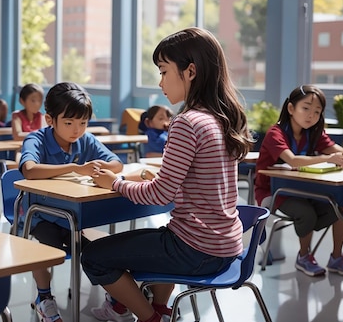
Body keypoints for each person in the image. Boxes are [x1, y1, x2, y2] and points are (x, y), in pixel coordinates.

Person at [81, 27, 253, 322]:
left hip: (195, 251)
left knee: (93, 257)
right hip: (227, 247)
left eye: (163, 71)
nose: (160, 81)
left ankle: (151, 318)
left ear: (190, 72)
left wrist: (116, 183)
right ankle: (160, 307)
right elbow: (197, 178)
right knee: (162, 234)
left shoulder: (187, 122)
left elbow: (161, 194)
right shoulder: (221, 118)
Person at [19, 81, 123, 322]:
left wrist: (98, 167)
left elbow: (117, 164)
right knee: (45, 249)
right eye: (68, 123)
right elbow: (29, 170)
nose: (76, 130)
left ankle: (116, 299)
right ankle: (43, 298)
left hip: (74, 216)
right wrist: (76, 168)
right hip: (40, 215)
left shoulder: (86, 140)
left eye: (83, 123)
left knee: (101, 250)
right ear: (49, 120)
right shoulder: (36, 139)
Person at [254, 84, 343, 277]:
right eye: (305, 108)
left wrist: (341, 156)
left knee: (342, 206)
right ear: (291, 108)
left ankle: (336, 257)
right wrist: (328, 158)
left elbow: (337, 151)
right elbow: (293, 160)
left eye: (317, 112)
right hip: (272, 191)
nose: (310, 115)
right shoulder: (275, 133)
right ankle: (303, 257)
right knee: (307, 213)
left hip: (302, 188)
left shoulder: (313, 133)